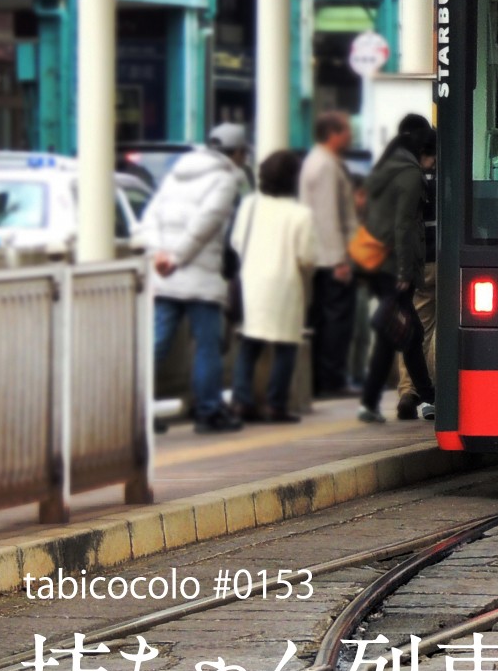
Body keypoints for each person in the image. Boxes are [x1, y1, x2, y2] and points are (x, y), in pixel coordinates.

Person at [139, 123, 249, 432]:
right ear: (238, 153)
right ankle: (209, 410)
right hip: (197, 276)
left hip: (165, 273)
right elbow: (207, 223)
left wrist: (159, 254)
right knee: (207, 345)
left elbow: (150, 217)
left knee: (156, 343)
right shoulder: (226, 179)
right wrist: (175, 259)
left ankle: (134, 412)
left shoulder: (176, 173)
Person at [357, 116, 437, 423]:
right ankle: (427, 398)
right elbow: (404, 227)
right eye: (431, 157)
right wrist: (405, 273)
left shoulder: (385, 169)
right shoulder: (410, 174)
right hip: (395, 268)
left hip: (377, 263)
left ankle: (385, 400)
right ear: (423, 151)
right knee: (409, 333)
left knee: (404, 334)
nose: (431, 165)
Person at [229, 150, 317, 423]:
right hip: (285, 283)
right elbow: (307, 256)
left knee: (250, 342)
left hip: (251, 280)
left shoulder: (250, 205)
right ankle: (275, 405)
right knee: (285, 346)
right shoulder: (300, 214)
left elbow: (236, 241)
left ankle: (242, 401)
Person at [300, 111, 360, 396]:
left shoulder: (319, 161)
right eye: (347, 130)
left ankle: (323, 378)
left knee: (323, 319)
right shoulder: (324, 165)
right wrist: (339, 259)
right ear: (334, 134)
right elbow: (326, 216)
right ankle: (331, 379)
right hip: (329, 258)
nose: (350, 136)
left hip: (320, 256)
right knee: (336, 320)